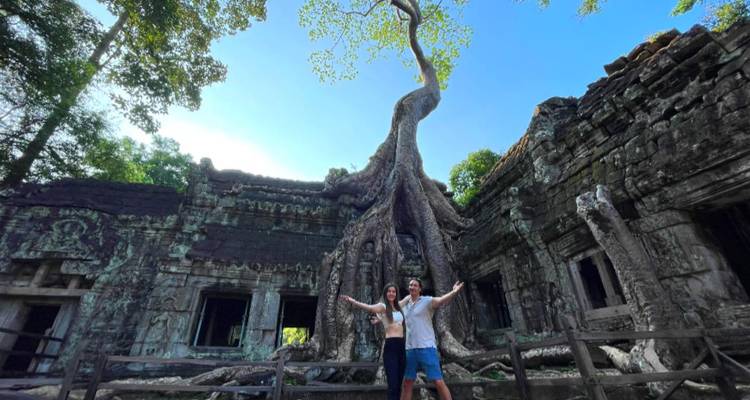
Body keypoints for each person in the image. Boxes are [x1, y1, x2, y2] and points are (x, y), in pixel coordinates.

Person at [400, 278, 464, 400]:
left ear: (419, 289)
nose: (412, 287)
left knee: (438, 381)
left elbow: (441, 301)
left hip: (427, 347)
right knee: (407, 382)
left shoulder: (427, 301)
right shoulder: (405, 305)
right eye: (410, 285)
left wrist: (454, 292)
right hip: (410, 349)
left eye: (414, 285)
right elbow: (391, 310)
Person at [341, 283, 406, 400]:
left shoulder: (399, 307)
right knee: (393, 383)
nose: (391, 293)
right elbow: (368, 307)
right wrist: (353, 301)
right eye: (389, 291)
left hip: (401, 346)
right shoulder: (383, 307)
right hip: (391, 346)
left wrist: (417, 293)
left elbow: (409, 298)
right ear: (386, 293)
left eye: (394, 292)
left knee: (400, 382)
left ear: (396, 294)